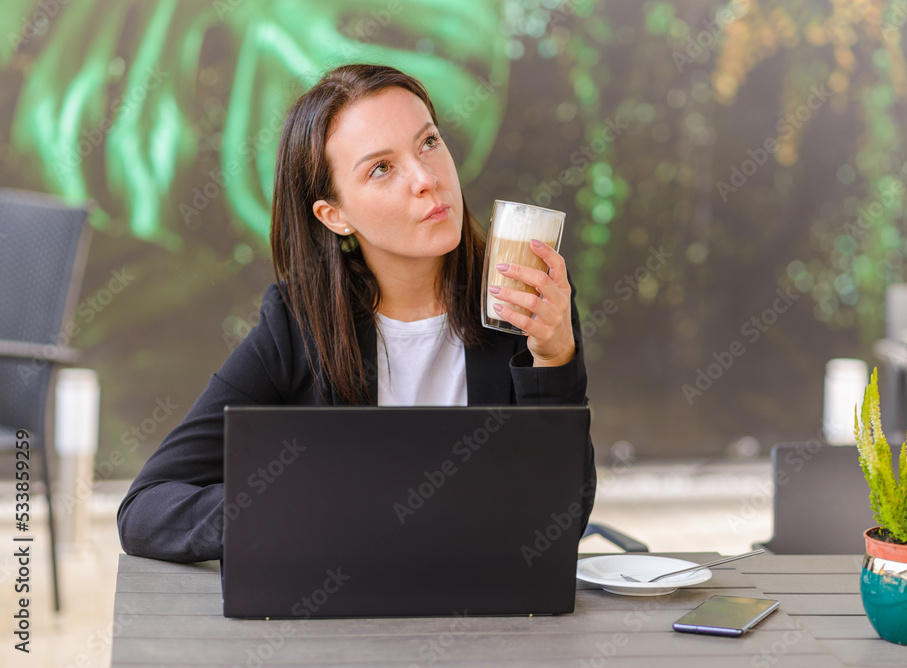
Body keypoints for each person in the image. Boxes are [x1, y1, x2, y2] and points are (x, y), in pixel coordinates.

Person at [117, 63, 596, 562]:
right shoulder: (297, 323)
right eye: (381, 168)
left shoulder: (523, 299)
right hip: (342, 621)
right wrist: (307, 509)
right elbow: (146, 510)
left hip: (482, 614)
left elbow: (561, 522)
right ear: (335, 215)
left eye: (429, 142)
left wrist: (556, 358)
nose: (426, 179)